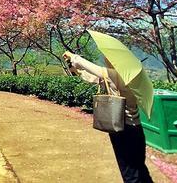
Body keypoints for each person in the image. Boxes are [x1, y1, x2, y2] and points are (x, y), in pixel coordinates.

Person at [63, 51, 153, 183]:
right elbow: (94, 78)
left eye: (107, 58)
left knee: (129, 172)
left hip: (122, 130)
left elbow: (98, 71)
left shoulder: (115, 74)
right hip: (136, 130)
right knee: (139, 168)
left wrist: (75, 58)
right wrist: (76, 69)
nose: (105, 60)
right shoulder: (127, 78)